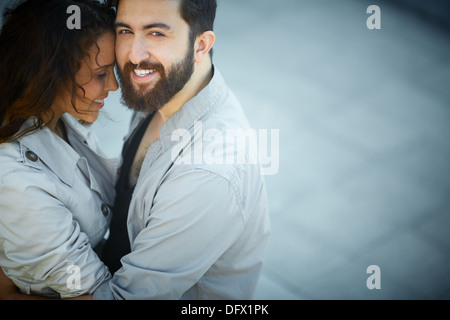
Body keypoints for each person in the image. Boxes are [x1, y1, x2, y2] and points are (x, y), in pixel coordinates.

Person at [94, 0, 271, 299]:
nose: (134, 55)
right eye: (125, 30)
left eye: (156, 34)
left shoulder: (208, 173)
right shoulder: (164, 88)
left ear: (201, 45)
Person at [0, 0, 119, 299]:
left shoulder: (59, 119)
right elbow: (94, 295)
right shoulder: (18, 182)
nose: (114, 86)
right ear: (51, 74)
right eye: (102, 73)